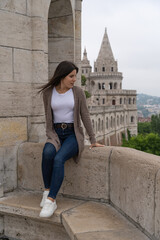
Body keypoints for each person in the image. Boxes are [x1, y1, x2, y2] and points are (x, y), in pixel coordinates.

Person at [38, 61, 104, 218]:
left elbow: (85, 115)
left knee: (59, 159)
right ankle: (47, 191)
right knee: (47, 153)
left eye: (75, 76)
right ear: (62, 76)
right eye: (71, 76)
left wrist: (92, 139)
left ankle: (51, 200)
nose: (74, 79)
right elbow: (48, 117)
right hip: (55, 134)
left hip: (73, 134)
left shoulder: (78, 92)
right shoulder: (48, 93)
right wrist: (51, 134)